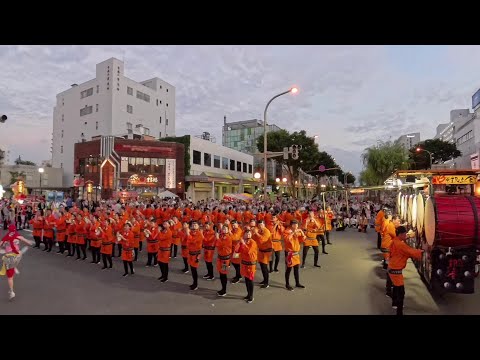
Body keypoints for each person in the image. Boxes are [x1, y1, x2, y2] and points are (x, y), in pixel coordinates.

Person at [387, 226, 423, 316]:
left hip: (391, 267)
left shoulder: (395, 241)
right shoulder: (401, 245)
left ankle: (394, 303)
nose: (405, 235)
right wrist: (422, 250)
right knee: (401, 292)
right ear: (401, 234)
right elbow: (411, 252)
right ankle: (399, 312)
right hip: (396, 270)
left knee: (395, 287)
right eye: (405, 234)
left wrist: (408, 236)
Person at [0, 224, 34, 300]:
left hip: (9, 258)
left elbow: (0, 245)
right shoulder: (18, 236)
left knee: (10, 277)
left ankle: (11, 291)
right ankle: (15, 265)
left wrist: (4, 245)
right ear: (15, 230)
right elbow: (28, 243)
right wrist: (29, 243)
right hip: (17, 255)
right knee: (20, 253)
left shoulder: (5, 238)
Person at [283, 219, 306, 291]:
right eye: (294, 224)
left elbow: (302, 240)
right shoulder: (286, 231)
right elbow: (287, 239)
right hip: (290, 253)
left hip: (296, 253)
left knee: (296, 269)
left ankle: (297, 283)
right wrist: (293, 232)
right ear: (291, 225)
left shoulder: (297, 231)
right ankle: (287, 284)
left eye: (297, 224)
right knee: (288, 269)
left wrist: (301, 232)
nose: (296, 226)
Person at [238, 229, 258, 303]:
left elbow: (249, 251)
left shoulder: (253, 242)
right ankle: (248, 294)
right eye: (246, 234)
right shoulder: (244, 241)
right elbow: (238, 250)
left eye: (249, 234)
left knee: (250, 280)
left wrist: (243, 243)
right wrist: (240, 244)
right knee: (246, 280)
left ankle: (251, 296)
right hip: (244, 263)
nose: (248, 235)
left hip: (251, 264)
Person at [215, 224, 232, 296]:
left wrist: (217, 238)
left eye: (225, 229)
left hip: (225, 260)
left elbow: (222, 245)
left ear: (228, 230)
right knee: (221, 274)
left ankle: (224, 290)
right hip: (220, 258)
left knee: (223, 274)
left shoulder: (228, 238)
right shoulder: (221, 236)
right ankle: (223, 288)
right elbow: (216, 244)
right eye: (223, 229)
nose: (224, 230)